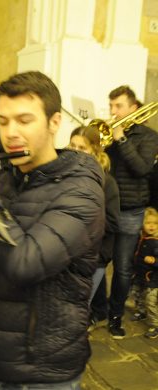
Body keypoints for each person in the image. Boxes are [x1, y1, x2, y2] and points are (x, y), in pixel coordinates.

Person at [0, 71, 104, 389]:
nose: (10, 132)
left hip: (39, 372)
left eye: (24, 120)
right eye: (3, 122)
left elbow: (25, 264)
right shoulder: (7, 180)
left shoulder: (82, 190)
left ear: (54, 122)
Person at [104, 85, 158, 339]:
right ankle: (97, 309)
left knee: (123, 267)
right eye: (111, 106)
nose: (113, 111)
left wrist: (121, 139)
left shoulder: (149, 136)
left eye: (118, 106)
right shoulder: (110, 134)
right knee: (97, 262)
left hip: (130, 209)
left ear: (133, 109)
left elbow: (142, 169)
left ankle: (115, 316)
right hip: (106, 207)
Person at [68, 126, 120, 329]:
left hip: (95, 254)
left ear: (95, 150)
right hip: (70, 250)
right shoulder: (66, 174)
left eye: (82, 147)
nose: (76, 151)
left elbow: (113, 222)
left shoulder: (107, 182)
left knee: (76, 310)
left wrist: (82, 223)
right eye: (72, 146)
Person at [130, 207, 158, 339]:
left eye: (155, 223)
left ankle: (155, 325)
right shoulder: (142, 239)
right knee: (137, 294)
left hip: (152, 279)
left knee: (150, 302)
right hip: (140, 276)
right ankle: (141, 312)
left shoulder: (156, 243)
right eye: (148, 222)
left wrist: (153, 261)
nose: (152, 226)